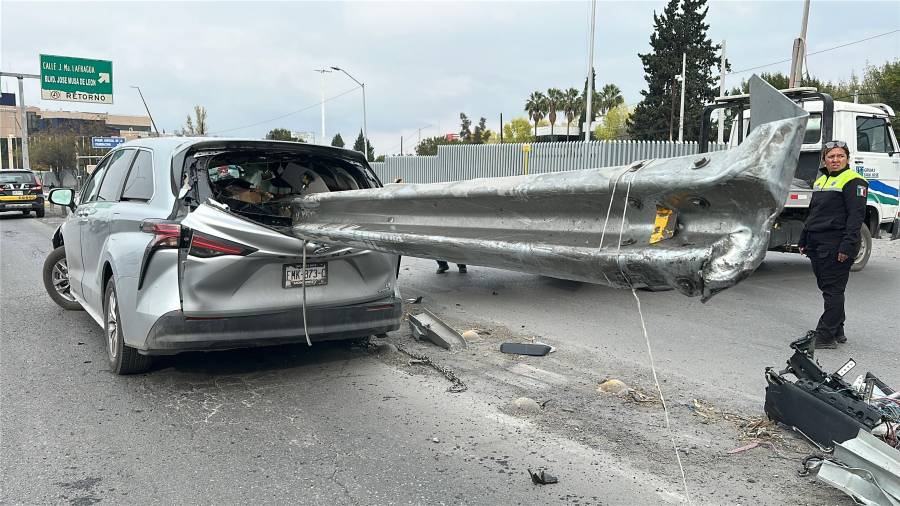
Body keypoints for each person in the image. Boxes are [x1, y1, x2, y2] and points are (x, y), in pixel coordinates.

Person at [797, 140, 868, 349]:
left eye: (840, 156)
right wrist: (803, 238)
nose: (835, 160)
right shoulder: (822, 181)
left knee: (833, 290)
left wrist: (848, 247)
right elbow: (813, 213)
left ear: (847, 158)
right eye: (831, 156)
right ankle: (838, 330)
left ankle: (826, 336)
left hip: (836, 243)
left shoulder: (854, 181)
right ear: (824, 160)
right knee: (828, 288)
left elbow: (856, 217)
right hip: (817, 241)